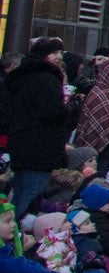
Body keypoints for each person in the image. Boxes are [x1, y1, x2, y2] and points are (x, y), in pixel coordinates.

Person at [2, 38, 77, 219]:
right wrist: (67, 109)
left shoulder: (24, 76)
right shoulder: (46, 79)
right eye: (54, 53)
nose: (59, 57)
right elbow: (52, 112)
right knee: (29, 195)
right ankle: (12, 233)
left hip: (22, 144)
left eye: (60, 53)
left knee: (21, 190)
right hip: (39, 148)